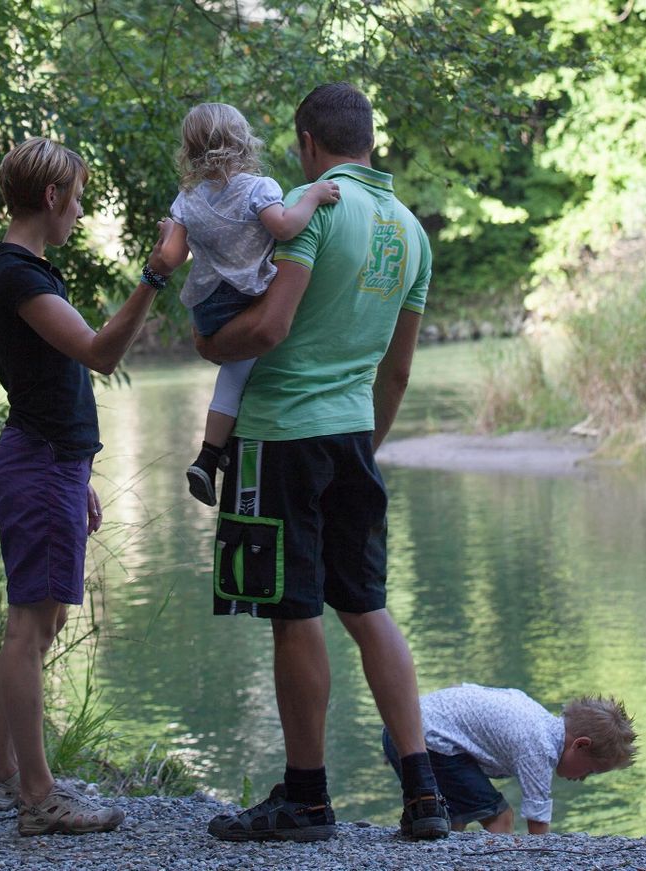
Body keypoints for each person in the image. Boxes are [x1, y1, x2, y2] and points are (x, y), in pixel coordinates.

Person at [192, 83, 451, 842]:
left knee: (292, 610)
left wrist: (209, 346)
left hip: (278, 436)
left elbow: (268, 328)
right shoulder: (411, 232)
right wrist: (362, 447)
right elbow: (395, 374)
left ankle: (305, 798)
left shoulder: (313, 204)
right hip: (351, 435)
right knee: (366, 602)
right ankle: (425, 790)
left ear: (308, 140)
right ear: (370, 140)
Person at [0, 136, 175, 837]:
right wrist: (155, 273)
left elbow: (50, 381)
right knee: (29, 628)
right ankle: (38, 796)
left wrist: (76, 472)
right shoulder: (20, 277)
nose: (80, 211)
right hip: (38, 464)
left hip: (52, 463)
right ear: (54, 197)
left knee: (44, 621)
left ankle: (2, 775)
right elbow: (99, 352)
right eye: (78, 197)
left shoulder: (26, 271)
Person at [154, 102, 340, 506]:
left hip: (206, 308)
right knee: (248, 367)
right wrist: (312, 196)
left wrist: (169, 230)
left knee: (235, 373)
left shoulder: (187, 198)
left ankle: (210, 454)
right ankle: (213, 453)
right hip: (245, 296)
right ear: (243, 142)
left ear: (190, 151)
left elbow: (170, 258)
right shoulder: (259, 188)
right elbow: (286, 226)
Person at [382, 685, 637, 834]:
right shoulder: (539, 747)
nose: (581, 778)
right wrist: (542, 859)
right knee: (500, 816)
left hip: (406, 728)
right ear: (580, 745)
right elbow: (538, 816)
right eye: (589, 771)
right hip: (423, 739)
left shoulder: (538, 719)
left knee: (454, 814)